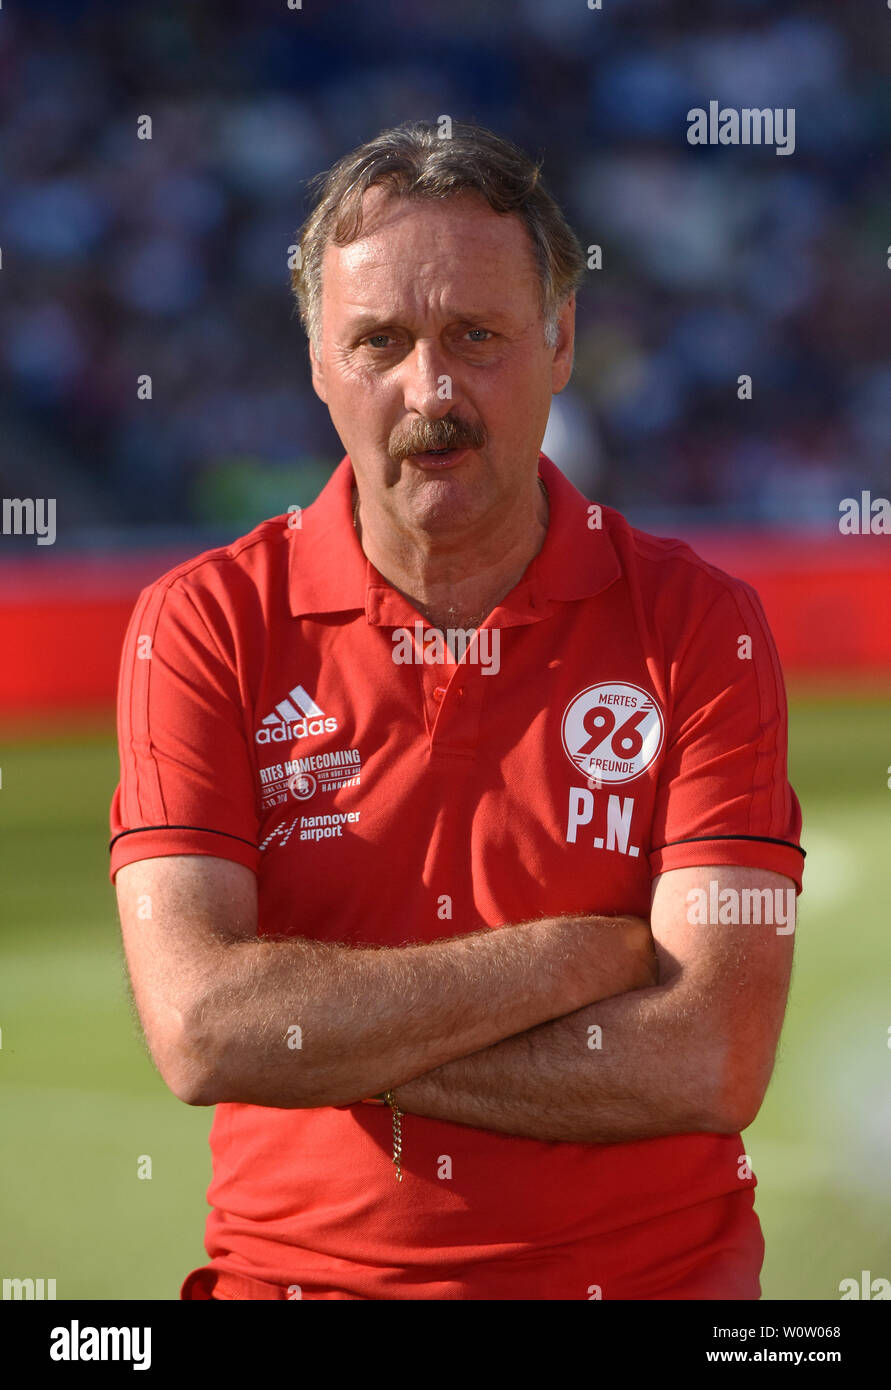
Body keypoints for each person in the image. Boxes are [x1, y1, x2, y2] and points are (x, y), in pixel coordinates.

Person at [110, 120, 804, 1301]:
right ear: (319, 364)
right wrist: (572, 960)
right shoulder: (204, 623)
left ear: (562, 339)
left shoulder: (701, 625)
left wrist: (327, 1035)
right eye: (379, 341)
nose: (432, 390)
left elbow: (712, 1056)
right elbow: (204, 1033)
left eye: (476, 337)